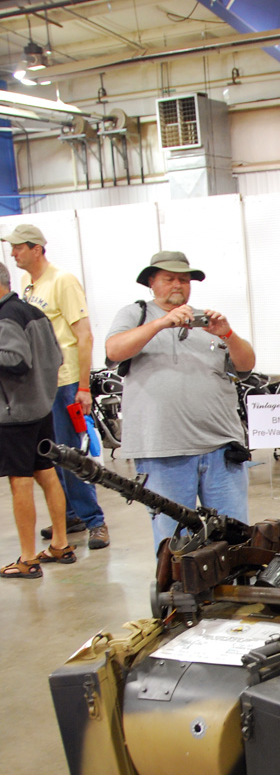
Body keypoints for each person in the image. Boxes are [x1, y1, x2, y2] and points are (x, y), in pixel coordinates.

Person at [104, 250, 255, 550]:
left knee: (236, 538)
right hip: (163, 451)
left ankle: (234, 593)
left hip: (220, 449)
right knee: (174, 543)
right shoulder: (137, 314)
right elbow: (114, 350)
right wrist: (162, 323)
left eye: (184, 279)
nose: (178, 285)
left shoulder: (205, 323)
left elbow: (246, 364)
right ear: (151, 282)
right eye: (169, 278)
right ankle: (181, 595)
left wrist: (228, 333)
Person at [1, 222, 109, 549]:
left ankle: (95, 521)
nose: (13, 253)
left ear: (37, 248)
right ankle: (71, 515)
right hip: (39, 388)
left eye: (19, 247)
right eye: (12, 247)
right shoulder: (26, 285)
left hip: (65, 383)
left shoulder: (63, 281)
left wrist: (84, 386)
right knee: (47, 459)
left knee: (69, 454)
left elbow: (84, 335)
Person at [0, 260, 75, 578]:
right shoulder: (33, 311)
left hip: (15, 414)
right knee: (46, 473)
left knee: (20, 482)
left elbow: (16, 359)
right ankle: (60, 543)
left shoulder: (5, 316)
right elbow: (57, 356)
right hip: (41, 407)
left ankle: (28, 559)